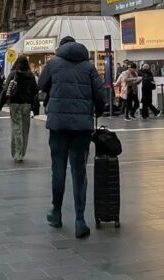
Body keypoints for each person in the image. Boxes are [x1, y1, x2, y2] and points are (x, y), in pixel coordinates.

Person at [38, 35, 105, 239]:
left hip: (58, 125)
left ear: (61, 47)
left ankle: (56, 213)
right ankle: (79, 220)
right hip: (82, 127)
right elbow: (99, 95)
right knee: (79, 172)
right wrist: (97, 112)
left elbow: (41, 84)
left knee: (58, 168)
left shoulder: (53, 63)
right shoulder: (88, 66)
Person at [0, 54, 39, 162]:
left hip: (14, 104)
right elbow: (35, 90)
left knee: (16, 128)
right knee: (25, 129)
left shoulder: (13, 74)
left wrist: (0, 104)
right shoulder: (30, 75)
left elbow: (5, 89)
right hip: (26, 104)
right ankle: (22, 152)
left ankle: (16, 152)